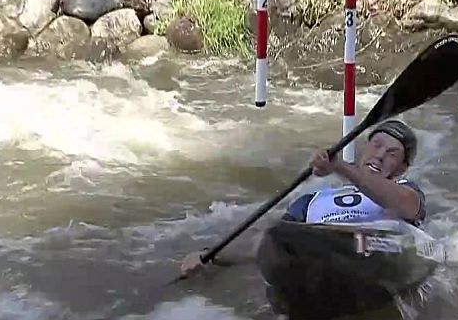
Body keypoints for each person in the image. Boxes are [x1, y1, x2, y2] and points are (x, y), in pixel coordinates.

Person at [179, 119, 426, 278]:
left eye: (392, 153)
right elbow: (265, 244)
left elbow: (403, 205)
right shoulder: (312, 201)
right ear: (363, 148)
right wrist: (209, 256)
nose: (381, 155)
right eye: (376, 145)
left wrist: (340, 166)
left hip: (374, 251)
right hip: (316, 256)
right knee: (277, 234)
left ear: (402, 168)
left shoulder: (406, 190)